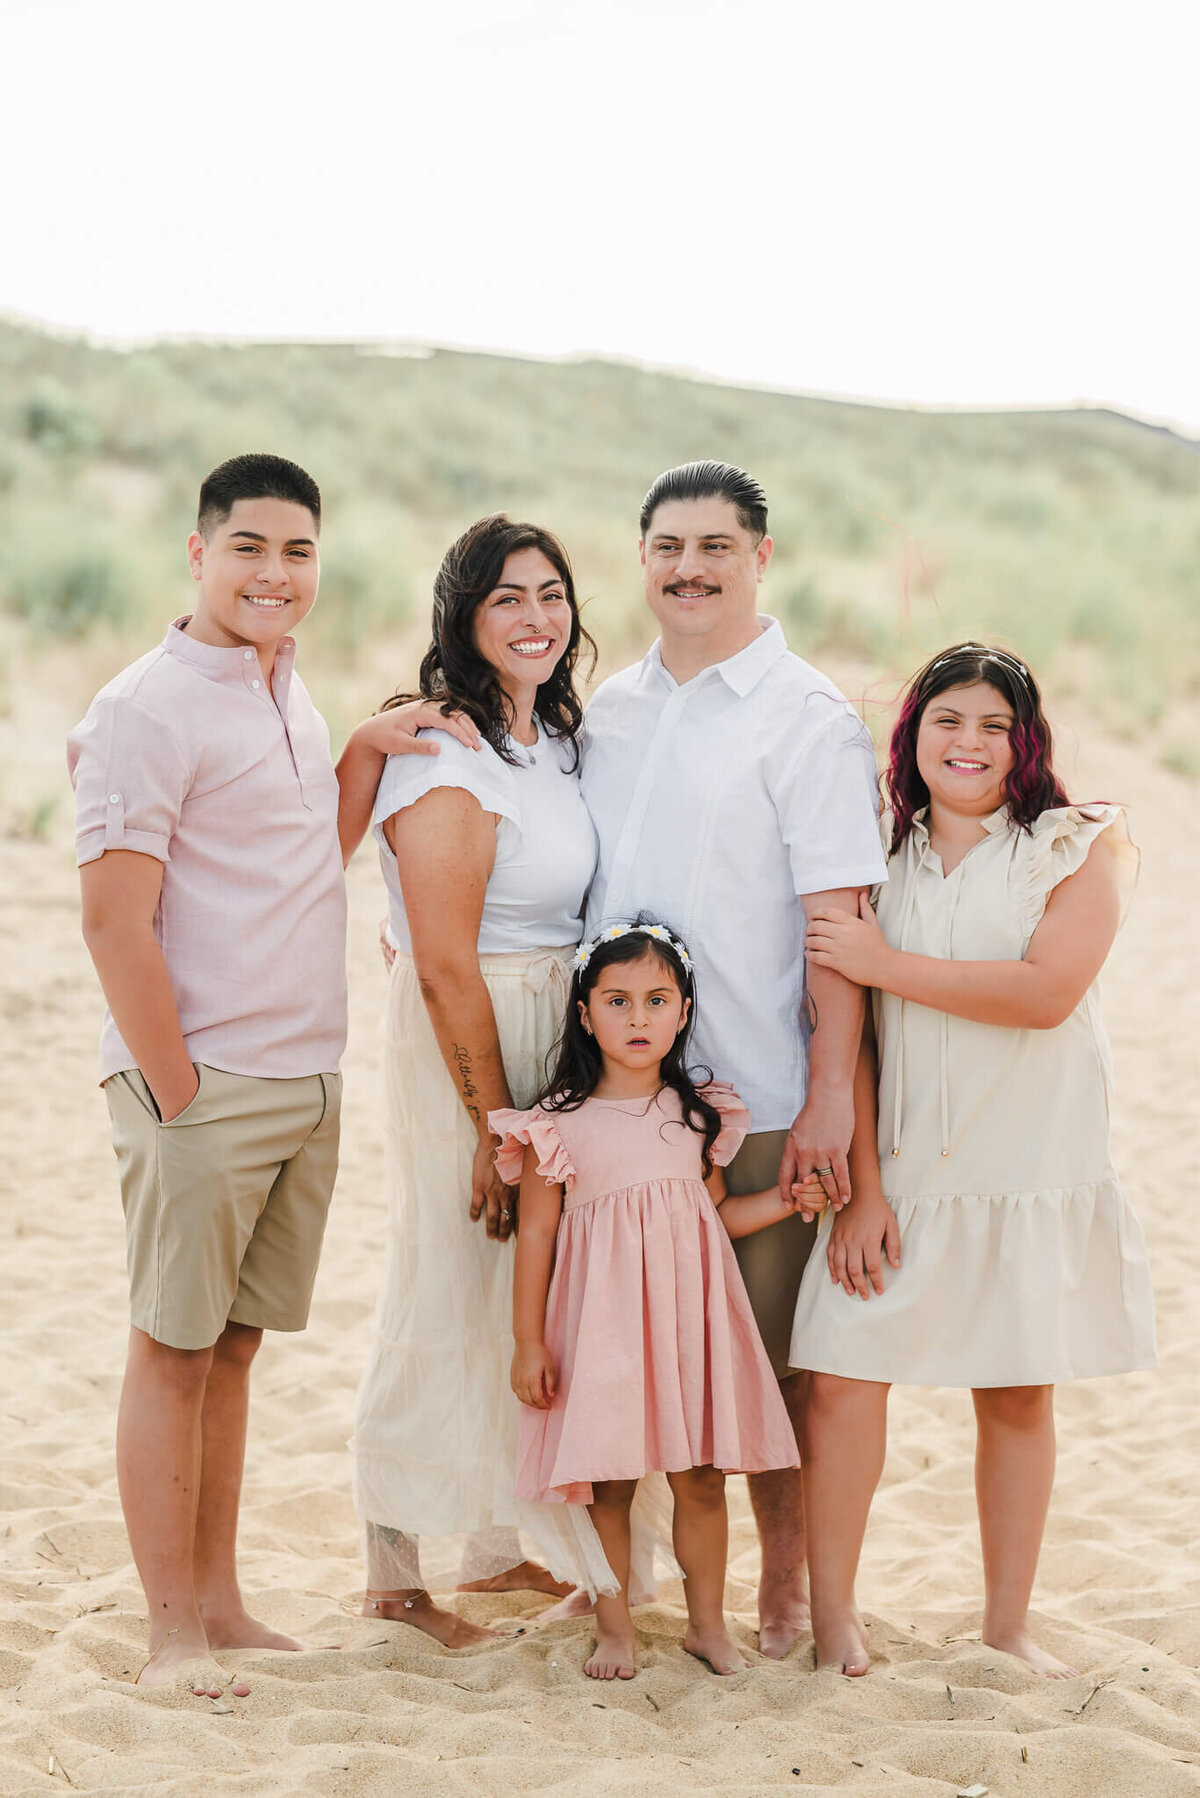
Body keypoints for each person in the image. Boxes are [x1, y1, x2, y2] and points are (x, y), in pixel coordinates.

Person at [67, 453, 466, 1690]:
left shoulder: (281, 686)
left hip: (303, 1080)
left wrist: (352, 749)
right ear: (198, 553)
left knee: (234, 1349)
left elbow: (298, 861)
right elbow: (112, 923)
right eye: (248, 547)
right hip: (205, 1088)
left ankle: (223, 1602)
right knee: (171, 1349)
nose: (273, 573)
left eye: (296, 551)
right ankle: (170, 1628)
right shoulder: (147, 706)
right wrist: (178, 1093)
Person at [792, 642, 1156, 1678]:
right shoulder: (872, 848)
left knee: (1016, 1393)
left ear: (1025, 743)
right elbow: (848, 1025)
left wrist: (886, 960)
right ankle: (836, 1619)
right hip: (903, 1165)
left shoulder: (1076, 847)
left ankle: (1006, 1627)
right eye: (950, 718)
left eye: (996, 724)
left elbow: (1047, 993)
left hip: (1029, 1159)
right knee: (845, 1378)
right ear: (913, 733)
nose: (972, 742)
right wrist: (861, 1185)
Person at [578, 461, 888, 1654]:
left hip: (753, 1087)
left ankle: (787, 1586)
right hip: (625, 1099)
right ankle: (629, 1571)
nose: (690, 567)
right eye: (668, 545)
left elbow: (835, 929)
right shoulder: (611, 707)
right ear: (643, 556)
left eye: (716, 545)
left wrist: (825, 1101)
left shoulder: (805, 717)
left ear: (762, 557)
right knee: (633, 1348)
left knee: (774, 1365)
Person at [348, 515, 606, 1648]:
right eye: (507, 598)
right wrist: (493, 1121)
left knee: (524, 1290)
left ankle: (496, 1550)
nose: (536, 617)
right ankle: (393, 1574)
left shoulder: (547, 735)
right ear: (462, 616)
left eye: (551, 594)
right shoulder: (443, 752)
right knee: (444, 1275)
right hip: (476, 1025)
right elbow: (445, 960)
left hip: (554, 1021)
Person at [491, 921, 827, 1681]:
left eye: (656, 1000)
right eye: (617, 1001)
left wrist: (786, 1198)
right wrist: (528, 1342)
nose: (637, 1018)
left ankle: (707, 1626)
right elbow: (535, 1241)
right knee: (608, 1483)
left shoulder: (696, 1114)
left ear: (682, 1013)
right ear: (584, 1013)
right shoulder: (555, 1129)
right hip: (603, 1331)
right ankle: (615, 1630)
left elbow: (717, 1217)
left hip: (685, 1326)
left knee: (701, 1479)